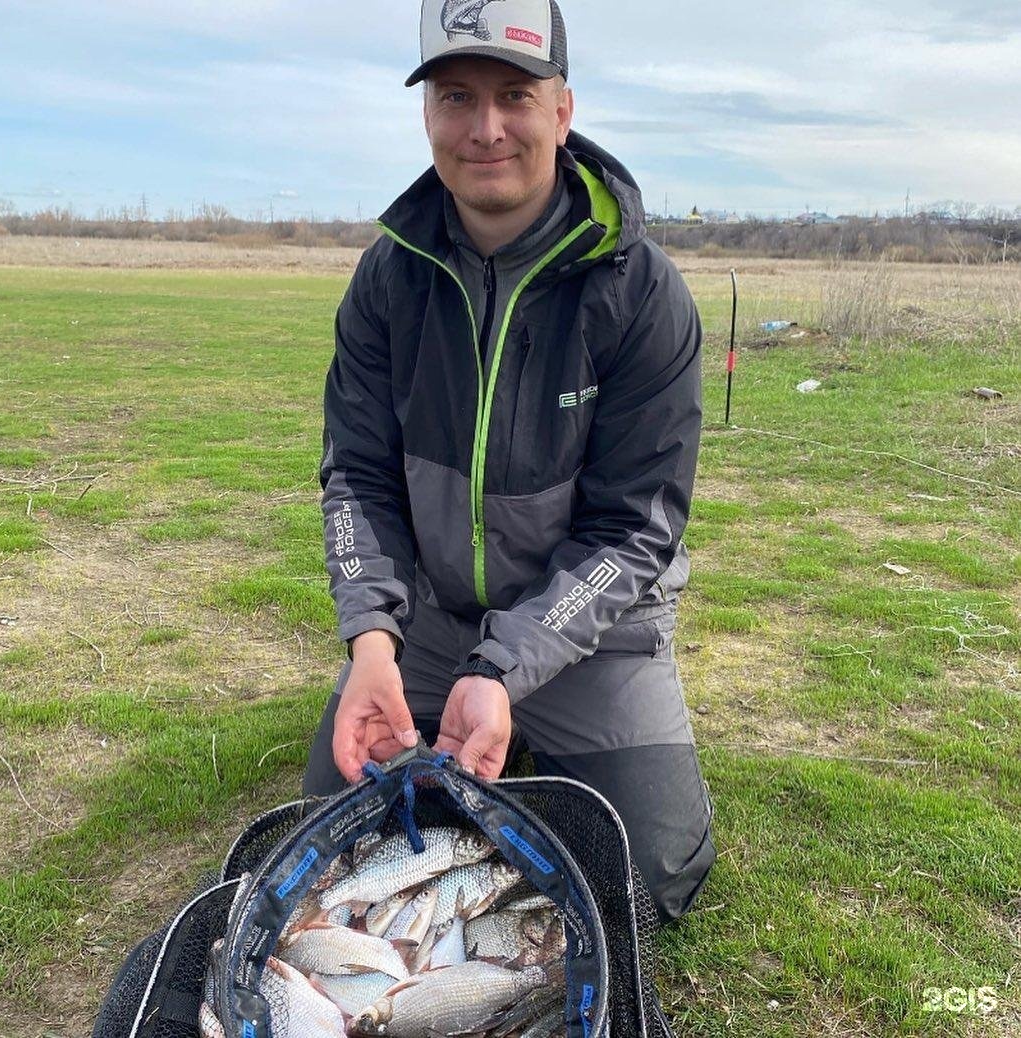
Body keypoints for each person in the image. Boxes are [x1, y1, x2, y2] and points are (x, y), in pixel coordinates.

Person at [303, 0, 715, 922]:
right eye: (456, 96)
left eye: (513, 96)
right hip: (433, 621)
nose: (484, 127)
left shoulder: (642, 292)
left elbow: (634, 531)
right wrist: (371, 638)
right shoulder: (386, 278)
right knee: (331, 840)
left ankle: (510, 718)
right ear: (427, 115)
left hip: (593, 632)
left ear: (561, 111)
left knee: (648, 880)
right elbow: (355, 478)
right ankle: (468, 712)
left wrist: (503, 672)